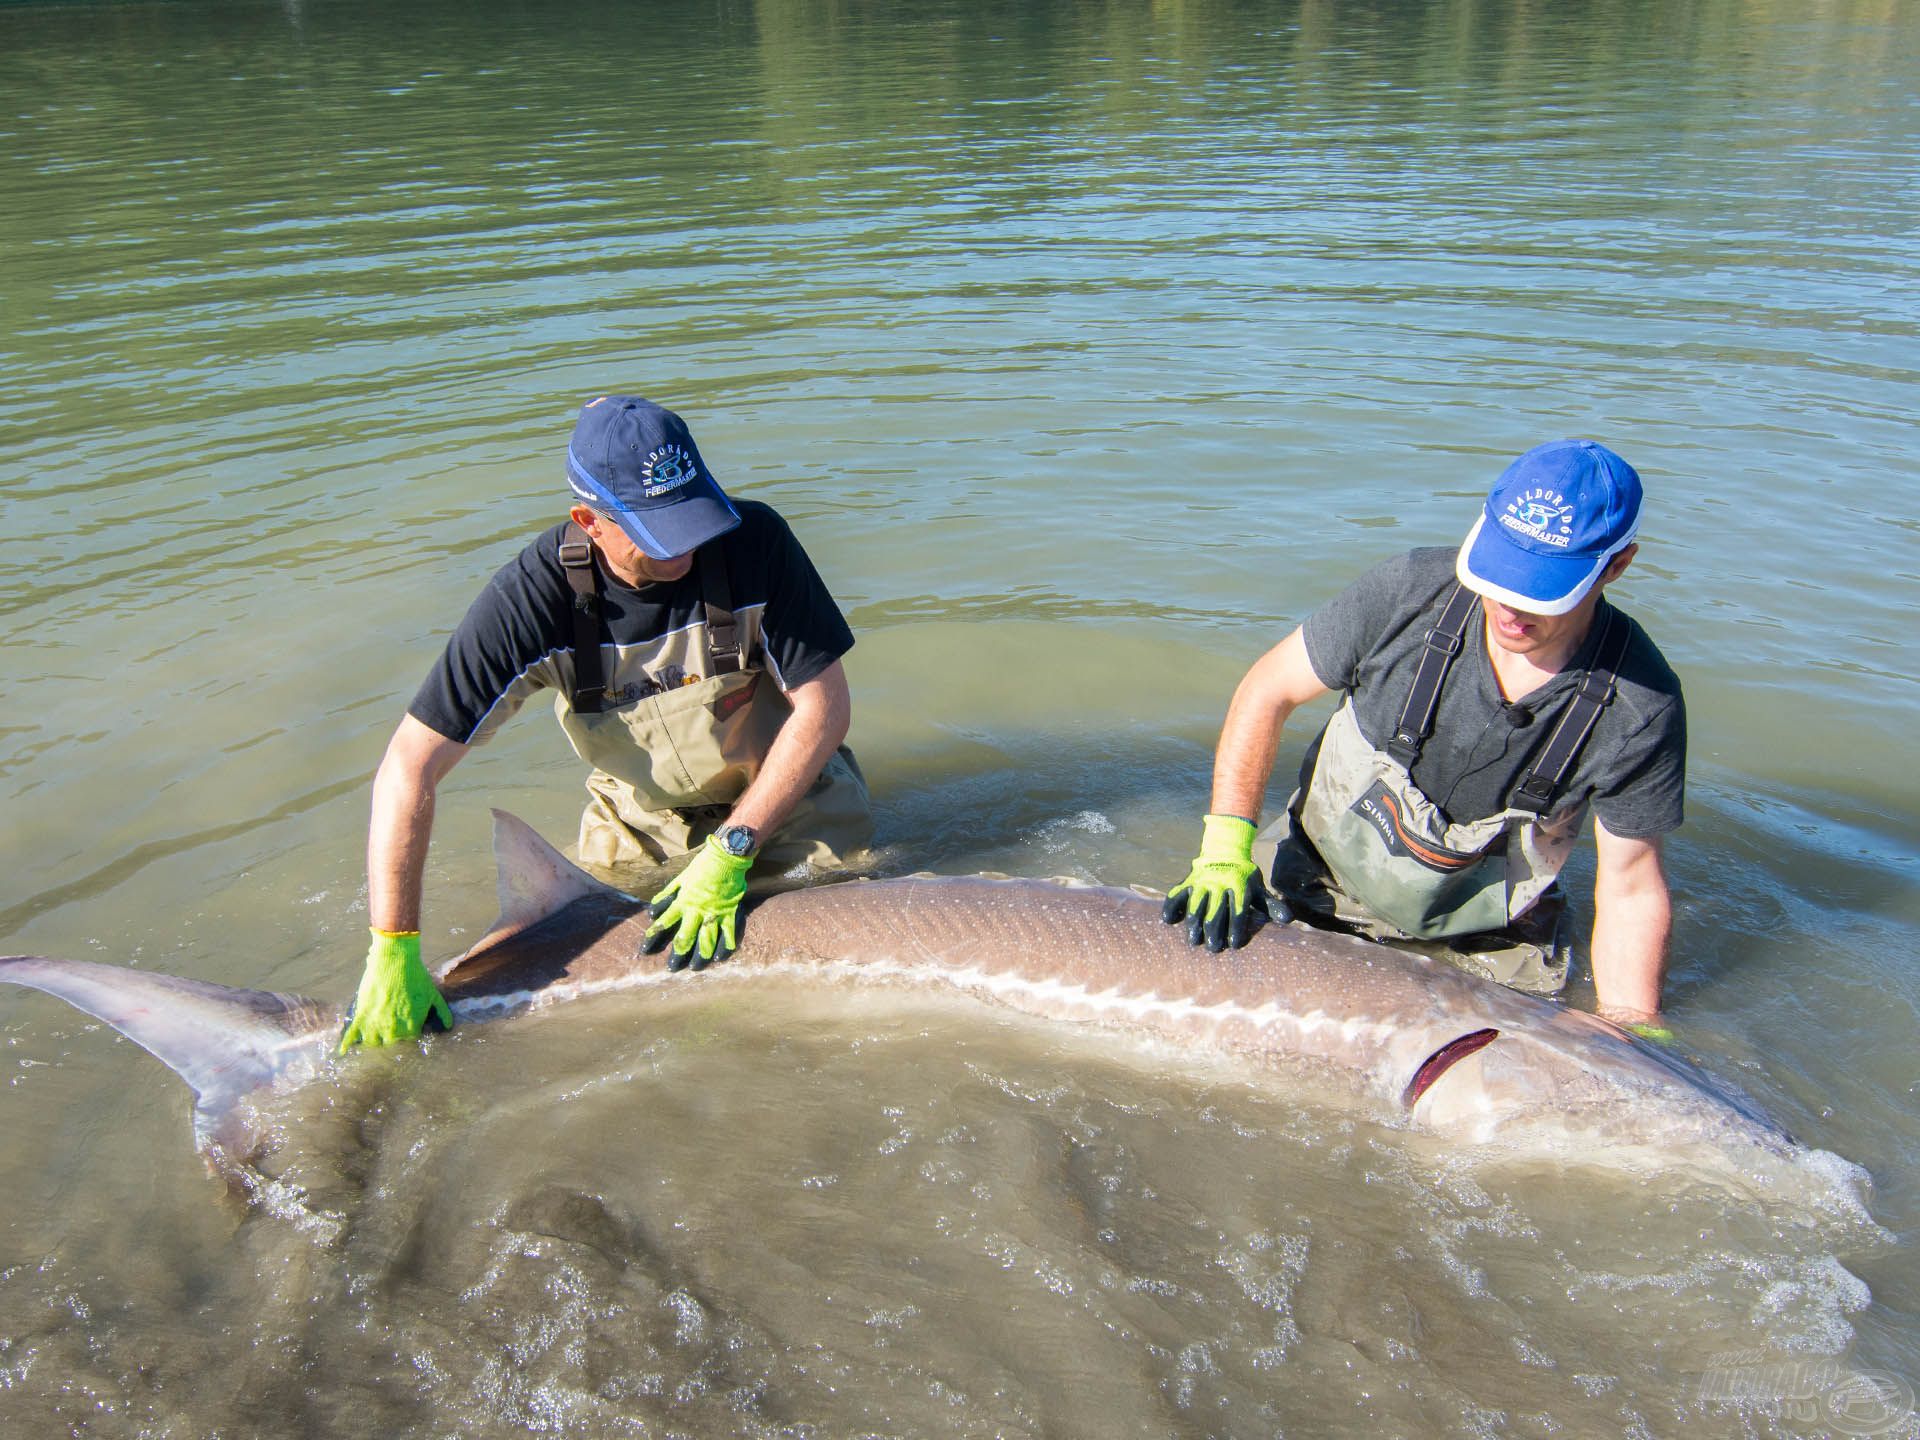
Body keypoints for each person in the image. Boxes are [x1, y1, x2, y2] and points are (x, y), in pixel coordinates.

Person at [339, 395, 872, 1049]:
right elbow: (408, 766)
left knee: (851, 968)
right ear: (589, 521)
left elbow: (824, 708)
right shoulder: (529, 603)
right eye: (659, 534)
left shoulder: (754, 543)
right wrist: (393, 946)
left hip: (791, 801)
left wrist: (734, 848)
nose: (685, 551)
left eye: (694, 519)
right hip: (642, 823)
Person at [1161, 439, 1685, 1036]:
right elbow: (1267, 691)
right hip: (1317, 881)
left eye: (1541, 589)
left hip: (1485, 941)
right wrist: (1226, 847)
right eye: (1500, 572)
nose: (1509, 607)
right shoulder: (1408, 592)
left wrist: (1633, 1027)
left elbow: (1632, 886)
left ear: (1617, 565)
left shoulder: (1641, 705)